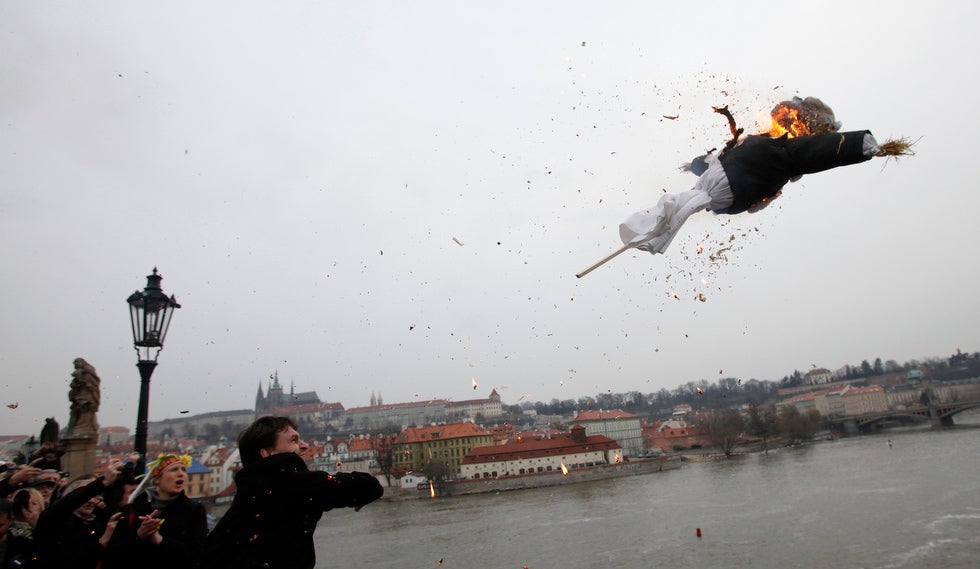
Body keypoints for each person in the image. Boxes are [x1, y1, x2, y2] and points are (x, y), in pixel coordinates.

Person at [618, 97, 899, 256]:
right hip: (730, 191)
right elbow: (720, 158)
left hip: (733, 188)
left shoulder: (785, 153)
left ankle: (656, 226)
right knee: (687, 202)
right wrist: (695, 164)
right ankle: (656, 226)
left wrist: (861, 146)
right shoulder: (771, 151)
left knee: (686, 202)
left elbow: (822, 150)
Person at [202, 416, 384, 569]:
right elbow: (369, 486)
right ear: (267, 453)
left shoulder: (250, 489)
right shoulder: (290, 481)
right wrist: (358, 495)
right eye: (294, 440)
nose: (304, 446)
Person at [100, 454, 208, 569]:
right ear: (157, 480)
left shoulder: (194, 510)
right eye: (174, 469)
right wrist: (139, 535)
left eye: (184, 470)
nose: (181, 473)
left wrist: (160, 540)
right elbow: (112, 556)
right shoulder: (134, 509)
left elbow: (197, 555)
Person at [33, 460, 123, 569]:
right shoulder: (55, 518)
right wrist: (102, 483)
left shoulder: (99, 520)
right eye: (87, 496)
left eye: (96, 496)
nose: (91, 501)